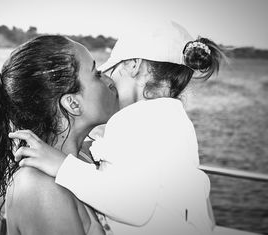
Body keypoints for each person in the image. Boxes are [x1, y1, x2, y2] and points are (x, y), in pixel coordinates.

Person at [12, 20, 227, 235]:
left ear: (133, 64)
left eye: (109, 71)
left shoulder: (137, 119)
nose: (108, 82)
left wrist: (62, 166)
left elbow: (133, 206)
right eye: (97, 75)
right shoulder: (173, 120)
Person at [0, 35, 119, 235]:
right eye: (97, 74)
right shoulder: (39, 186)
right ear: (73, 104)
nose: (110, 81)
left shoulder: (87, 157)